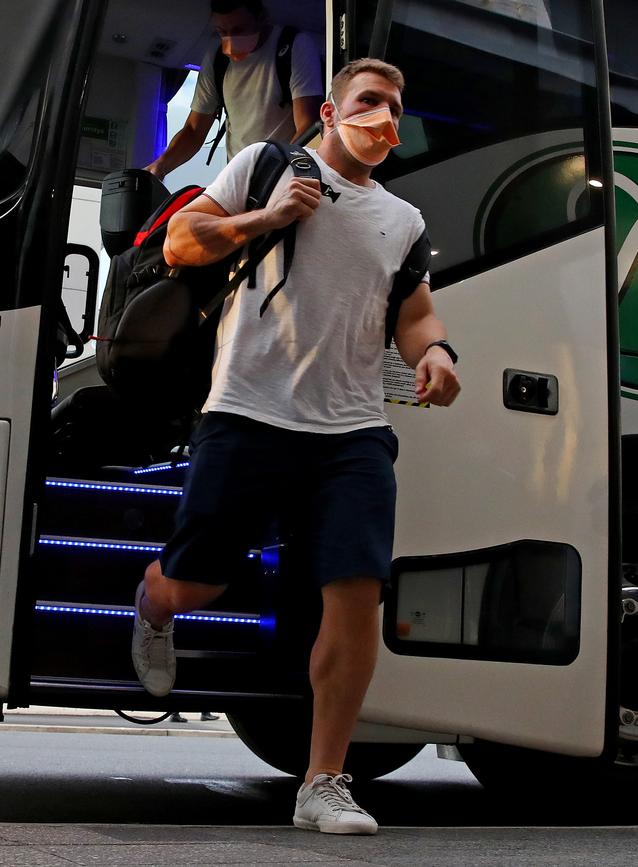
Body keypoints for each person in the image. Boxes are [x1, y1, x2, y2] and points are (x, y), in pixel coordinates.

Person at [132, 57, 461, 834]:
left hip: (350, 431)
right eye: (371, 101)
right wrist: (266, 217)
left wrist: (436, 352)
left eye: (397, 105)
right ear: (331, 111)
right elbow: (182, 243)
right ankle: (155, 603)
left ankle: (323, 780)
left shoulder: (402, 219)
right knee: (197, 584)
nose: (386, 117)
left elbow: (412, 309)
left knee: (354, 598)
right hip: (248, 411)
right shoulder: (269, 165)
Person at [144, 0, 323, 176]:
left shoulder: (294, 45)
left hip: (283, 171)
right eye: (222, 32)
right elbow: (194, 130)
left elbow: (307, 125)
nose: (230, 41)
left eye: (239, 30)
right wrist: (159, 167)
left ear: (262, 18)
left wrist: (274, 176)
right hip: (238, 176)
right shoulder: (216, 60)